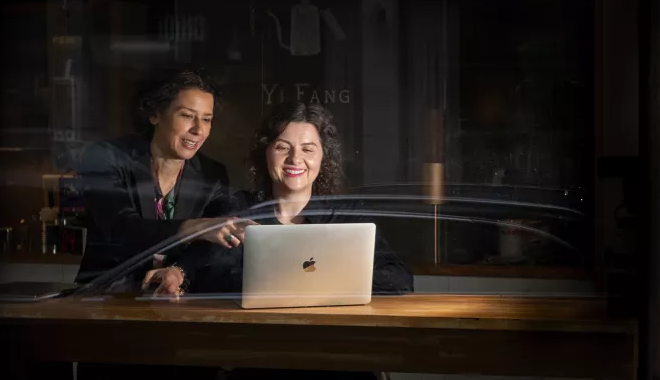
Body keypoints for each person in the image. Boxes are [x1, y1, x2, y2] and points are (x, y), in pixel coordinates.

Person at [144, 102, 413, 379]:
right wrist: (178, 274)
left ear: (323, 158)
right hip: (257, 356)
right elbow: (200, 264)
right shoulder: (237, 207)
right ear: (266, 153)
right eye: (283, 147)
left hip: (336, 354)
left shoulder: (348, 215)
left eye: (308, 149)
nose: (295, 159)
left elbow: (399, 278)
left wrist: (333, 282)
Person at [75, 68, 251, 285]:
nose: (198, 130)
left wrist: (179, 271)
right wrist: (193, 227)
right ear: (155, 114)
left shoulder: (211, 174)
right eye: (186, 116)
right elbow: (120, 228)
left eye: (206, 119)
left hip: (172, 299)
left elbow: (212, 246)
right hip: (106, 297)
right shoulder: (106, 158)